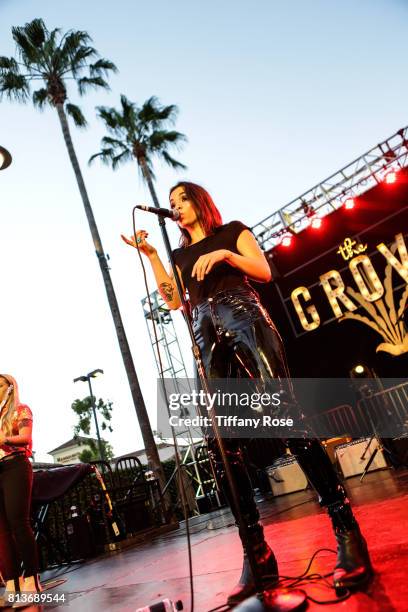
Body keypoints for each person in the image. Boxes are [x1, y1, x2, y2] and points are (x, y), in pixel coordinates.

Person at [122, 182, 372, 605]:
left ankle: (346, 530)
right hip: (203, 328)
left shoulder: (231, 231)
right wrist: (151, 258)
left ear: (199, 202)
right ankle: (256, 552)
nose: (175, 207)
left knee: (287, 415)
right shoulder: (179, 255)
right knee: (223, 441)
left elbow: (263, 270)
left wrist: (224, 255)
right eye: (171, 204)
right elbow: (173, 303)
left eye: (181, 199)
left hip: (242, 313)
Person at [0, 374, 41, 602]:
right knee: (1, 531)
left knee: (18, 523)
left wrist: (4, 438)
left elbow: (25, 437)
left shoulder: (21, 410)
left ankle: (31, 579)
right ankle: (12, 583)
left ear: (9, 388)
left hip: (14, 465)